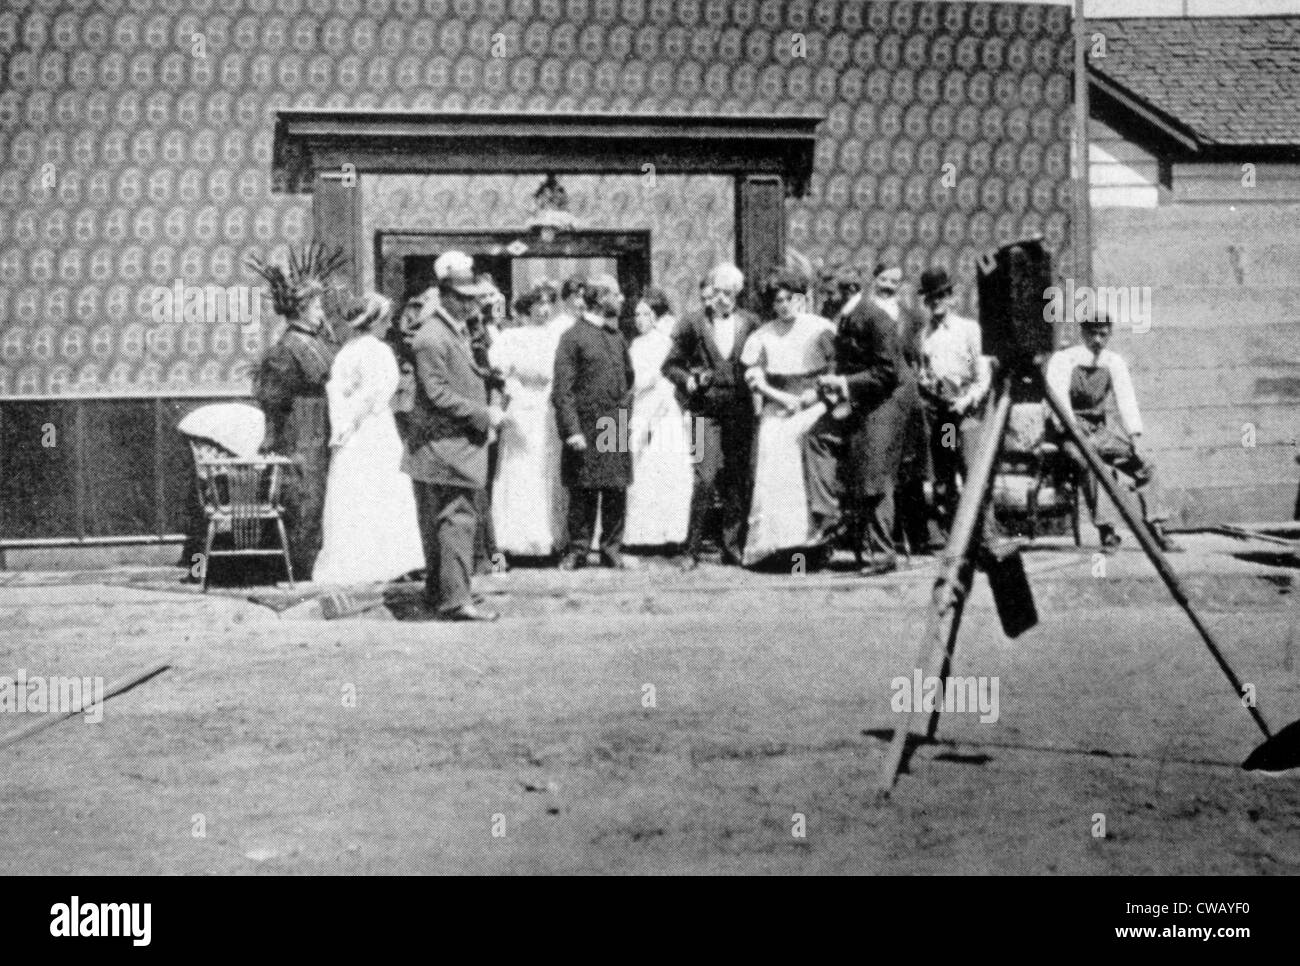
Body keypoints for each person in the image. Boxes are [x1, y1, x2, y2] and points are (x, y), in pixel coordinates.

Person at [401, 251, 507, 621]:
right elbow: (437, 394)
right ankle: (456, 599)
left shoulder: (449, 332)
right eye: (464, 298)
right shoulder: (432, 336)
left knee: (445, 522)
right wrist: (483, 413)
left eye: (474, 297)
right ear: (445, 295)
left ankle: (442, 593)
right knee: (457, 520)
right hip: (445, 448)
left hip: (446, 447)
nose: (471, 304)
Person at [1046, 309, 1181, 554]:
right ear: (1082, 332)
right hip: (1067, 431)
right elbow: (1058, 401)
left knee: (1145, 465)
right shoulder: (1064, 359)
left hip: (1097, 429)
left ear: (1109, 335)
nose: (1097, 340)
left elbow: (1126, 399)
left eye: (1103, 335)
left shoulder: (1113, 362)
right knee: (1090, 463)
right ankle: (1107, 533)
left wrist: (1135, 436)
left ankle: (1157, 529)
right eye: (1092, 334)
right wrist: (1074, 430)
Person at [313, 293, 425, 584]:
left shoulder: (346, 351)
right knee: (380, 489)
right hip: (372, 428)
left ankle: (357, 560)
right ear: (374, 322)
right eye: (386, 320)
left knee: (356, 491)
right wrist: (353, 420)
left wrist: (343, 426)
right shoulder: (378, 351)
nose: (389, 325)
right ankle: (386, 562)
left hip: (350, 431)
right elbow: (373, 396)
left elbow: (340, 393)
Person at [740, 270, 840, 567]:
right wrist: (782, 398)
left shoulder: (820, 328)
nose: (784, 305)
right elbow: (755, 379)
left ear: (802, 299)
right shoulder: (762, 335)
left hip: (814, 403)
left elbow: (834, 369)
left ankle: (811, 543)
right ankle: (774, 546)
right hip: (778, 403)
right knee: (773, 451)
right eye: (778, 300)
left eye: (790, 298)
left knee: (803, 444)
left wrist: (812, 397)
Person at [662, 263, 759, 568]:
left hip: (740, 412)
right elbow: (670, 365)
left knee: (736, 478)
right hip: (705, 413)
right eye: (716, 291)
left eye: (728, 293)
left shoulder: (751, 323)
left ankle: (732, 548)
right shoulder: (693, 323)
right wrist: (689, 380)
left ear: (737, 295)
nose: (721, 299)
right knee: (704, 478)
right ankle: (691, 550)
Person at [250, 266, 339, 581]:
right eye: (316, 307)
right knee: (304, 500)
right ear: (300, 309)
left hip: (320, 428)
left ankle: (315, 564)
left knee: (320, 498)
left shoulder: (317, 343)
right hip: (300, 433)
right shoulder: (286, 349)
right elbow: (273, 402)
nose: (321, 312)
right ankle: (299, 568)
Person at [819, 266, 908, 576]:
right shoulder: (847, 317)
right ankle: (870, 550)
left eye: (829, 293)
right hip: (866, 404)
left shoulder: (874, 317)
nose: (824, 299)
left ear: (847, 290)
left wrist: (843, 383)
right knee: (863, 475)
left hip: (886, 405)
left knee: (876, 478)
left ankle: (883, 556)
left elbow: (887, 372)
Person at [552, 273, 635, 570]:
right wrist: (571, 430)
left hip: (613, 423)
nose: (622, 298)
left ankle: (611, 549)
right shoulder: (572, 338)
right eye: (616, 293)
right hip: (584, 427)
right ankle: (578, 550)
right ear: (600, 299)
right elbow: (562, 391)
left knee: (615, 489)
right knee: (583, 490)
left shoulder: (617, 337)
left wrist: (623, 414)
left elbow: (629, 379)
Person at [915, 267, 1000, 546]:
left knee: (972, 471)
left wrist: (966, 400)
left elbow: (983, 376)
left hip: (969, 414)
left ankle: (986, 536)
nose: (935, 302)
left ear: (951, 297)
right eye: (930, 298)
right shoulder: (925, 335)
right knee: (945, 472)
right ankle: (955, 538)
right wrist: (929, 386)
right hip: (944, 418)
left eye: (940, 296)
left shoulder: (969, 330)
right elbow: (925, 373)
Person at [489, 285, 565, 557]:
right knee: (520, 469)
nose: (545, 309)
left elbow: (562, 375)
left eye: (549, 303)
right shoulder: (511, 337)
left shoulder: (557, 336)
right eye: (539, 303)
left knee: (548, 469)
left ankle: (548, 540)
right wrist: (517, 396)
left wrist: (549, 396)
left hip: (548, 410)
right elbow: (502, 374)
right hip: (521, 409)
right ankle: (511, 543)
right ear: (528, 307)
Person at [624, 289, 693, 549]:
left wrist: (656, 412)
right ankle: (641, 534)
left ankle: (670, 534)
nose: (640, 319)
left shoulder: (664, 343)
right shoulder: (635, 344)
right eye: (637, 314)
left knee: (664, 468)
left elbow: (663, 380)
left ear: (656, 316)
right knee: (640, 469)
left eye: (646, 314)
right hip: (640, 407)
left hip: (662, 410)